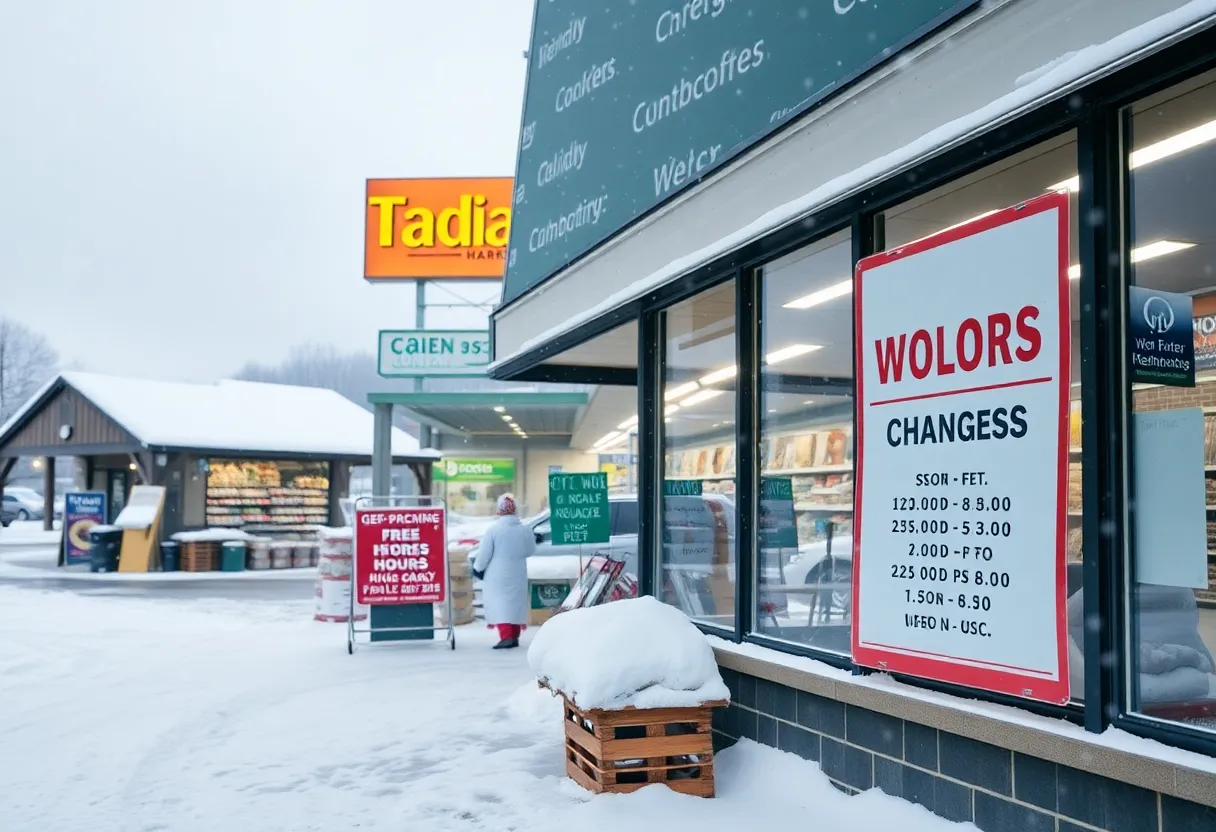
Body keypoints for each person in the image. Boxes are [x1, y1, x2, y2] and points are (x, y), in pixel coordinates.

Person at [472, 494, 534, 649]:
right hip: (518, 571)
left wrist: (478, 568)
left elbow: (485, 553)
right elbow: (531, 550)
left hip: (496, 573)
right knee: (515, 604)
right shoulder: (525, 530)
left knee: (500, 604)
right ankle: (514, 636)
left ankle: (506, 637)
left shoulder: (494, 530)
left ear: (499, 510)